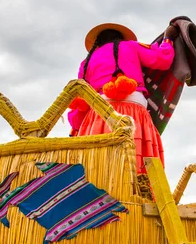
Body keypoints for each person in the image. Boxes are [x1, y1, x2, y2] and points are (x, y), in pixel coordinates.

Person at [68, 22, 178, 176]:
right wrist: (168, 39)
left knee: (98, 171)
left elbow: (81, 101)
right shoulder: (131, 46)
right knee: (138, 170)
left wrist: (75, 129)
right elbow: (162, 60)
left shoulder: (86, 63)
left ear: (97, 43)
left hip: (98, 118)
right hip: (134, 114)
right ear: (121, 38)